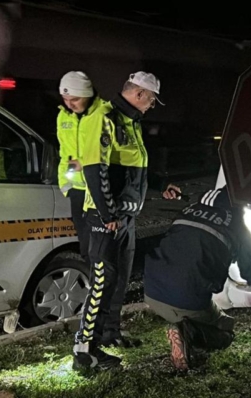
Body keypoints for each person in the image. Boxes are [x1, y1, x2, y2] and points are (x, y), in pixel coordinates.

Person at [72, 71, 163, 371]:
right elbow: (94, 171)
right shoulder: (105, 117)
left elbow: (133, 167)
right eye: (151, 99)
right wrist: (107, 215)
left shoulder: (130, 122)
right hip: (104, 218)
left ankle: (109, 335)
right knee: (102, 282)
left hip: (125, 218)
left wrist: (162, 184)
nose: (152, 105)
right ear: (138, 94)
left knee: (119, 279)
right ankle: (85, 353)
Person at [143, 185, 251, 372]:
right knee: (226, 328)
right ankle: (189, 333)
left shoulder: (186, 212)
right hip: (184, 297)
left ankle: (184, 326)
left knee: (194, 303)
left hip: (152, 290)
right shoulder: (236, 224)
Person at [57, 71, 107, 262]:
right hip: (76, 190)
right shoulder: (63, 116)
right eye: (65, 98)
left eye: (75, 99)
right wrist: (66, 185)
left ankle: (102, 280)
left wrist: (85, 164)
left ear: (87, 94)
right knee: (85, 242)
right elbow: (64, 153)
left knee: (101, 242)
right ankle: (90, 276)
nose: (69, 104)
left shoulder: (104, 114)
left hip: (97, 188)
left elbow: (114, 152)